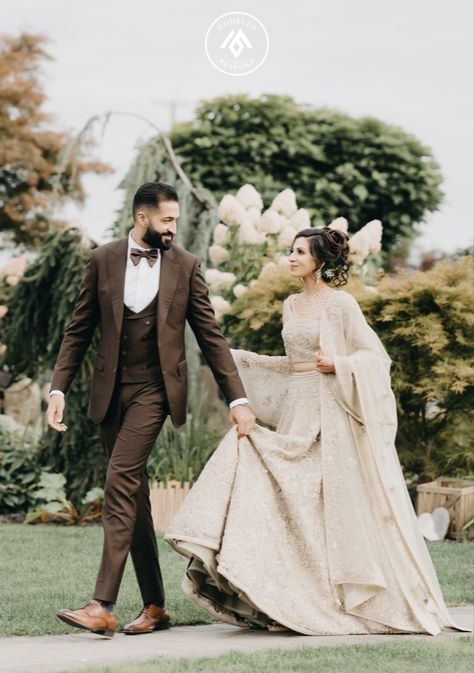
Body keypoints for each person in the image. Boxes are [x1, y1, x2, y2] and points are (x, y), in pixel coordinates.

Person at [165, 227, 468, 636]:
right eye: (290, 251)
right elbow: (293, 365)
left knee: (324, 509)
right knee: (287, 506)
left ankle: (330, 601)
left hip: (331, 416)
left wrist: (339, 364)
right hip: (296, 411)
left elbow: (374, 358)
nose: (291, 258)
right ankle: (278, 602)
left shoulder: (340, 304)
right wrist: (241, 362)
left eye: (299, 252)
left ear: (320, 261)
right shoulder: (290, 305)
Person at [46, 181, 256, 638]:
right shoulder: (102, 260)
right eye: (167, 220)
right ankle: (156, 606)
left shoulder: (185, 266)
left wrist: (237, 399)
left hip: (156, 391)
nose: (173, 228)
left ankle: (102, 604)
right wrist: (58, 388)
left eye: (176, 220)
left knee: (120, 478)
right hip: (108, 393)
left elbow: (211, 338)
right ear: (143, 218)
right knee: (134, 497)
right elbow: (78, 330)